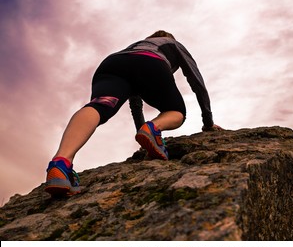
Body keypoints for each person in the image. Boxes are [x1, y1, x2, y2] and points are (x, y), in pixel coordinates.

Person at [44, 30, 223, 197]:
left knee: (99, 106)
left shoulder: (136, 46)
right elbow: (196, 81)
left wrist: (144, 136)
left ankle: (60, 163)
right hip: (150, 62)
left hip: (112, 64)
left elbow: (135, 103)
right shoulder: (172, 44)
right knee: (176, 111)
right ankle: (156, 127)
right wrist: (208, 122)